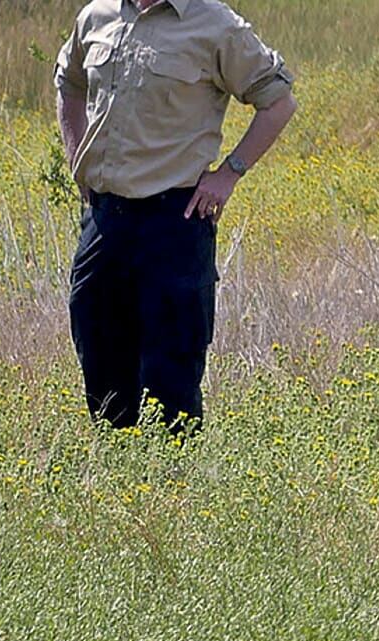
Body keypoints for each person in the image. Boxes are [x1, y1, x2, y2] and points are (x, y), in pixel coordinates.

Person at [53, 0, 296, 430]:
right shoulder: (98, 15)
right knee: (99, 355)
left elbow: (277, 102)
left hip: (174, 220)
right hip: (104, 218)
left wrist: (228, 174)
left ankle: (173, 486)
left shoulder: (213, 24)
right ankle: (117, 476)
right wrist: (77, 161)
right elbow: (69, 83)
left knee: (171, 378)